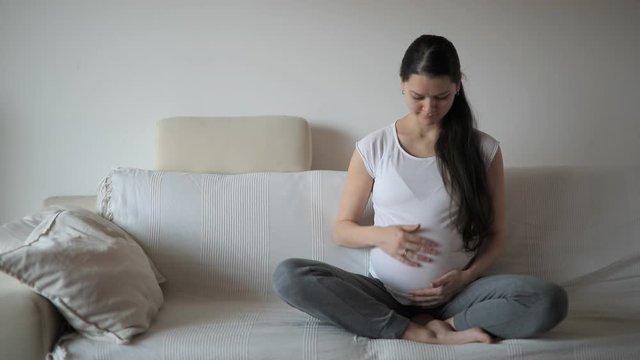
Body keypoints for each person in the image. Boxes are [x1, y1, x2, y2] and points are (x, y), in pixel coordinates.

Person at [272, 34, 568, 344]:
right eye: (418, 96)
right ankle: (413, 331)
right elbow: (342, 231)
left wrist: (465, 278)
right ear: (402, 84)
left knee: (549, 300)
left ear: (457, 86)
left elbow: (494, 236)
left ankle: (449, 324)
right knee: (290, 275)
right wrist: (383, 236)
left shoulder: (483, 150)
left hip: (458, 296)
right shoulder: (374, 147)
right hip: (384, 295)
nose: (429, 108)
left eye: (441, 97)